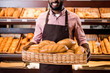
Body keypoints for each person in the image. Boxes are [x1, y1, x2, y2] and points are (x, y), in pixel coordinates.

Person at [23, 0, 91, 73]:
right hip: (46, 65)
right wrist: (29, 46)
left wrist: (86, 47)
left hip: (65, 64)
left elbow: (81, 39)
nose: (54, 0)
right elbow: (36, 39)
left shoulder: (74, 18)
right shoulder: (41, 17)